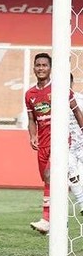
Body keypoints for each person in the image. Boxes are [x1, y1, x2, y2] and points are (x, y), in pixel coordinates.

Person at [25, 55, 83, 234]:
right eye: (38, 65)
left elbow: (76, 110)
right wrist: (33, 135)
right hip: (43, 143)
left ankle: (47, 219)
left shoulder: (59, 88)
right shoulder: (30, 94)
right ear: (34, 68)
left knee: (51, 175)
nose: (41, 68)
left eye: (44, 65)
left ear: (50, 68)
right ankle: (59, 219)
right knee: (50, 180)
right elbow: (31, 119)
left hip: (60, 140)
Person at [68, 74, 83, 215]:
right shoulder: (53, 102)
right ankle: (82, 203)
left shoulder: (79, 99)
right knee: (71, 175)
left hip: (82, 143)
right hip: (66, 147)